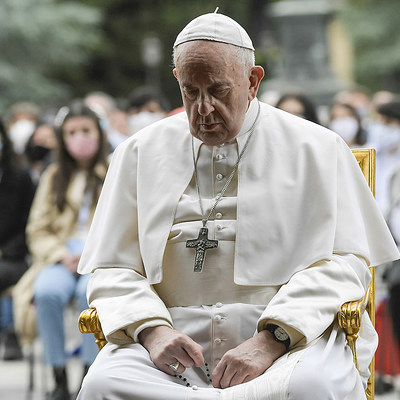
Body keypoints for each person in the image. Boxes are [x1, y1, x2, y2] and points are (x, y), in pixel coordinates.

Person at [77, 12, 399, 400]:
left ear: (252, 81)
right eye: (190, 92)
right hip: (169, 341)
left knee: (313, 387)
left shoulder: (317, 148)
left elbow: (347, 262)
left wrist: (274, 337)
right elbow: (111, 266)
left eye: (218, 90)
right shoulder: (138, 153)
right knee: (103, 385)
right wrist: (152, 330)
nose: (203, 109)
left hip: (289, 338)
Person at [13, 103, 109, 400]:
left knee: (89, 296)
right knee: (46, 293)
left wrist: (93, 255)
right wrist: (61, 255)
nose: (79, 137)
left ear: (98, 134)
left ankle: (88, 375)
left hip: (100, 256)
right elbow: (37, 229)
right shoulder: (53, 176)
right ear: (62, 138)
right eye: (72, 132)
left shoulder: (114, 170)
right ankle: (57, 377)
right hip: (60, 256)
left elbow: (125, 223)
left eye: (86, 131)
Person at [0, 117, 35, 360]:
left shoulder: (20, 176)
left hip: (12, 256)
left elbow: (28, 225)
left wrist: (4, 251)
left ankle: (12, 332)